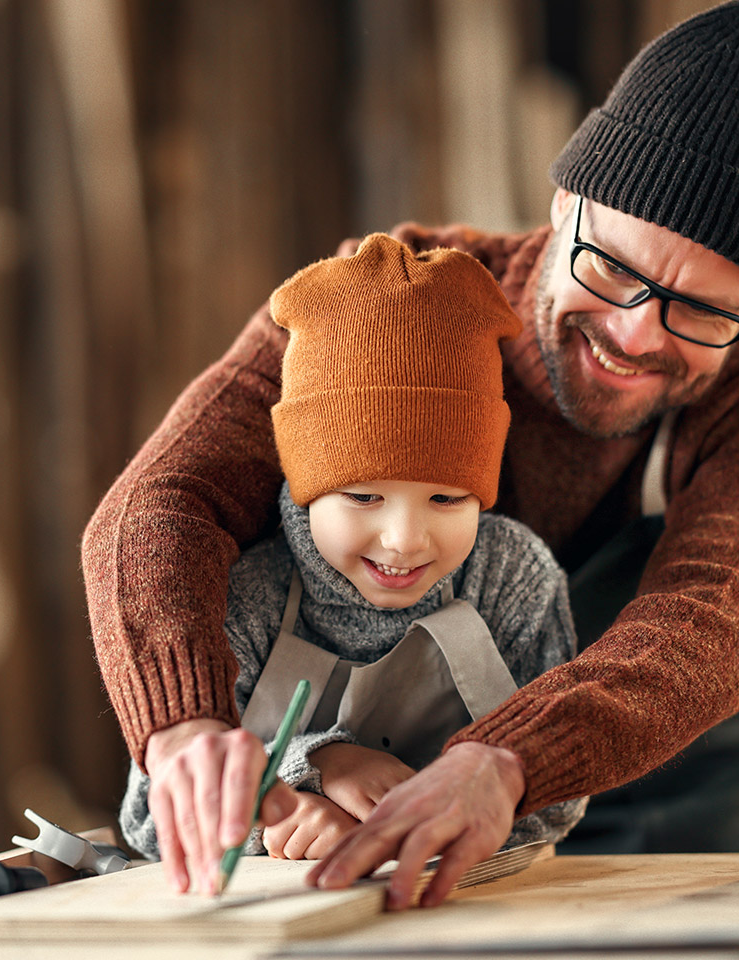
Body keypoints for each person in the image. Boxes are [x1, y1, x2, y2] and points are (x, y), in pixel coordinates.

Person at [83, 0, 739, 908]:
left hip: (662, 830)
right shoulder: (390, 298)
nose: (634, 333)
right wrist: (183, 724)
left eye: (703, 311)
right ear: (565, 203)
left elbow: (710, 619)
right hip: (358, 821)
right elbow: (163, 500)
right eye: (612, 267)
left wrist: (510, 759)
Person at [116, 234, 587, 895]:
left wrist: (425, 817)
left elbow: (562, 801)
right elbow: (148, 821)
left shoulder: (513, 580)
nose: (402, 539)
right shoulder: (245, 594)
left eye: (447, 498)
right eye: (364, 495)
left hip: (481, 909)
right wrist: (304, 790)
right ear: (305, 482)